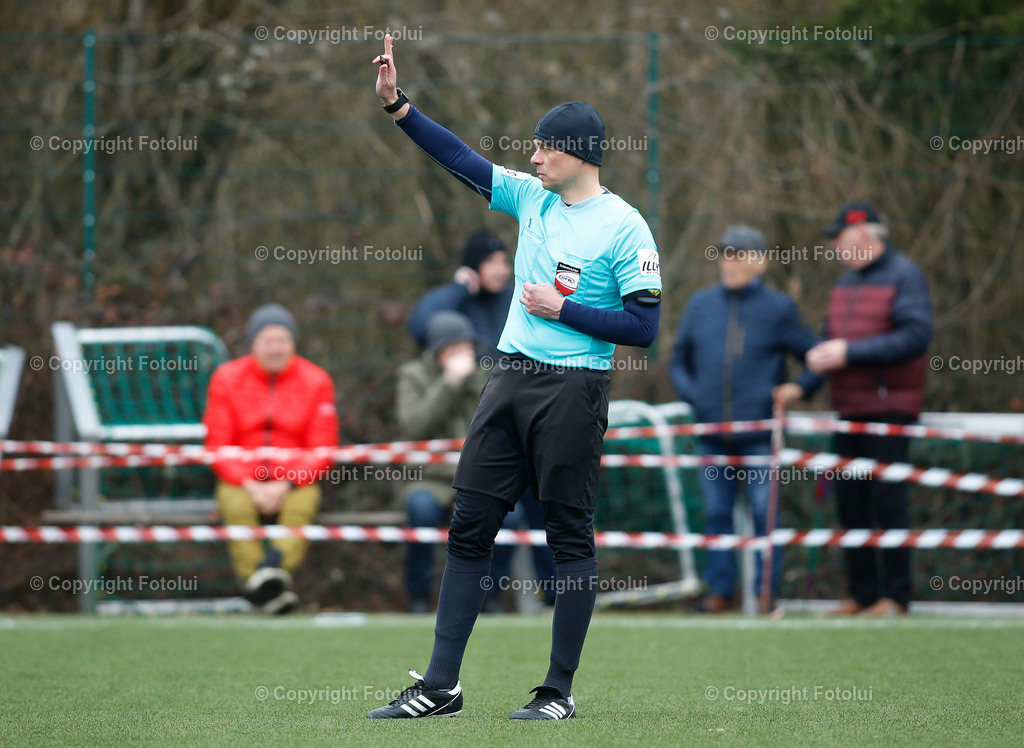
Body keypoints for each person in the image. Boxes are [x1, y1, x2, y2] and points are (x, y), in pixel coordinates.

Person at [367, 34, 662, 720]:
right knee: (469, 526)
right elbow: (459, 158)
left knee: (568, 539)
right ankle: (441, 686)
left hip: (573, 391)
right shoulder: (532, 200)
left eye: (544, 147)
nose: (531, 157)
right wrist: (397, 106)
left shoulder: (625, 228)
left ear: (578, 155)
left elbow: (644, 329)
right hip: (507, 382)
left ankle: (557, 693)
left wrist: (566, 309)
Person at [670, 225, 819, 612]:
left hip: (759, 435)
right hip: (712, 433)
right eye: (725, 254)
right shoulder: (700, 305)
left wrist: (799, 388)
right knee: (716, 515)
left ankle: (767, 595)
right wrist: (696, 397)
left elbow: (815, 358)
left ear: (761, 261)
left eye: (739, 254)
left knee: (763, 515)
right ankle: (720, 593)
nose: (730, 262)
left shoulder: (779, 308)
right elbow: (677, 362)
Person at [805, 201, 933, 617]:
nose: (835, 247)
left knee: (889, 502)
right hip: (849, 411)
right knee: (852, 502)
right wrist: (802, 385)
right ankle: (861, 595)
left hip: (889, 412)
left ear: (863, 236)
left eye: (838, 238)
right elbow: (832, 344)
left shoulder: (905, 276)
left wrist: (849, 353)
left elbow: (915, 336)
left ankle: (896, 598)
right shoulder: (846, 282)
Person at [203, 304, 339, 615]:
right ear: (253, 343)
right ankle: (267, 587)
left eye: (283, 340)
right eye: (268, 340)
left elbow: (322, 449)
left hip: (295, 479)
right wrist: (249, 484)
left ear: (294, 343)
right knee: (235, 506)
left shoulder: (316, 381)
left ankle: (269, 571)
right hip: (241, 477)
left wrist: (286, 483)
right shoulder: (226, 378)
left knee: (302, 506)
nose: (276, 348)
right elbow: (218, 443)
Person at [398, 311, 490, 613]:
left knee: (510, 519)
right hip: (429, 477)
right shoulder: (413, 375)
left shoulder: (484, 377)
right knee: (420, 509)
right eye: (455, 348)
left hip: (475, 480)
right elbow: (413, 426)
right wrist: (449, 383)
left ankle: (490, 597)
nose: (464, 355)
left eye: (467, 347)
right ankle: (419, 596)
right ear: (438, 352)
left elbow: (497, 424)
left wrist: (469, 383)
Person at [407, 230, 512, 360]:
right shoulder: (456, 296)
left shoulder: (514, 297)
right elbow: (419, 326)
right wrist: (460, 290)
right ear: (474, 265)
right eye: (491, 261)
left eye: (504, 262)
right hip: (470, 377)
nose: (501, 270)